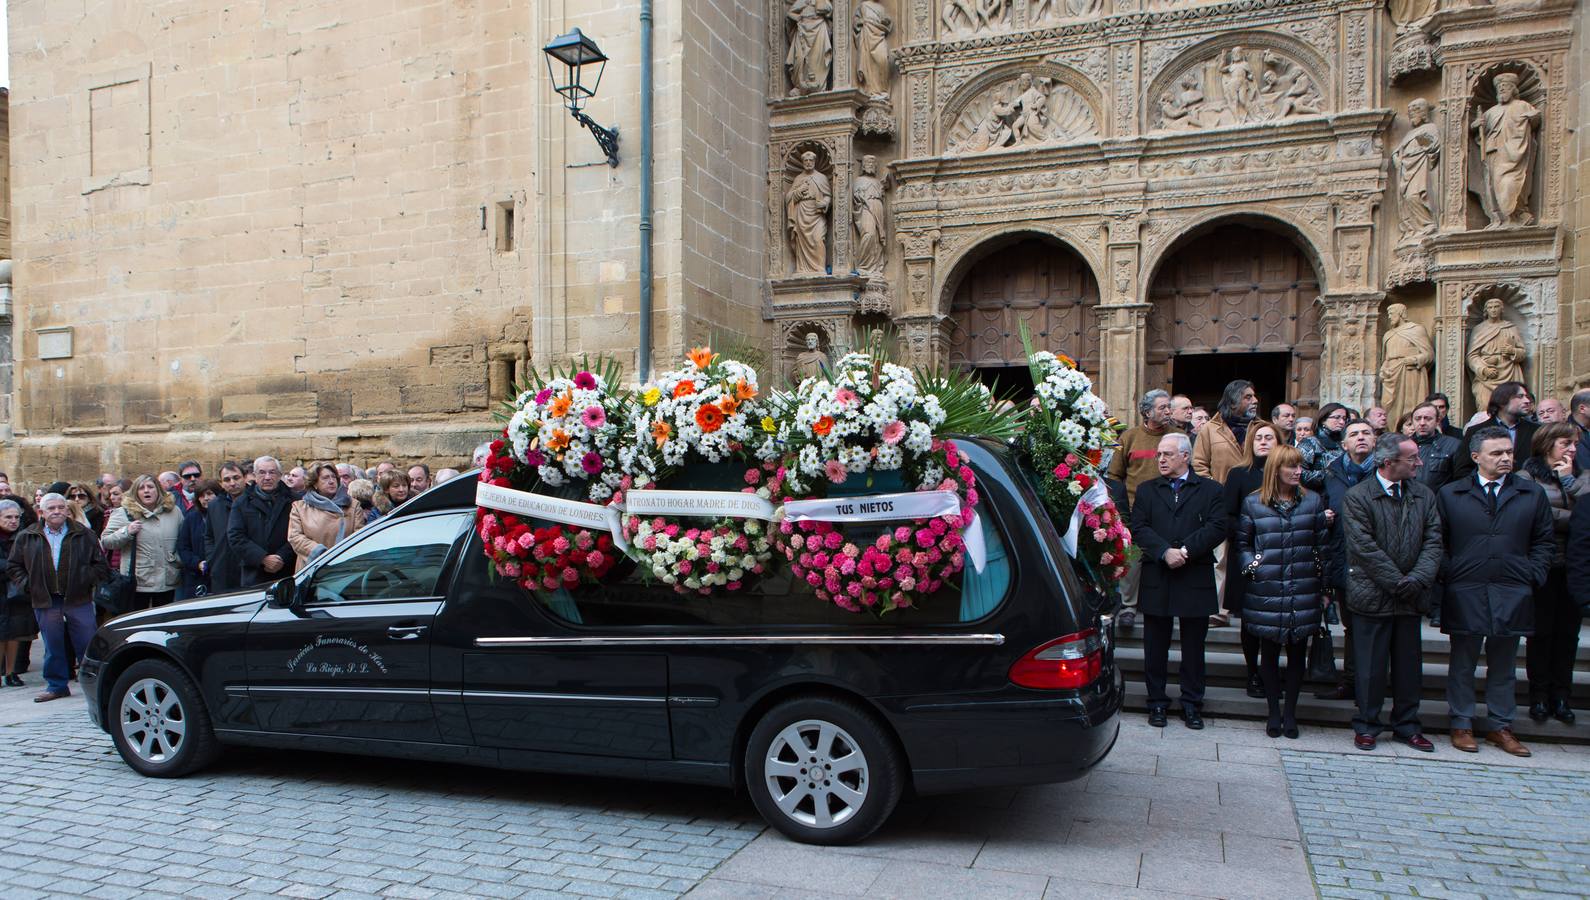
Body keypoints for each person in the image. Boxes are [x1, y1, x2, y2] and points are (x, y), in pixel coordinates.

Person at [1437, 427, 1553, 757]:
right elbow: (1438, 540)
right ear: (1476, 458)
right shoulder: (1451, 494)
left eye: (1508, 452)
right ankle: (1461, 722)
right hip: (1466, 588)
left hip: (1513, 589)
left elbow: (1544, 540)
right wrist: (1450, 572)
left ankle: (1501, 726)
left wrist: (1533, 573)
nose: (1505, 458)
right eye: (1496, 453)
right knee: (1463, 662)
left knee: (1504, 665)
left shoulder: (1530, 494)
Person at [1342, 433, 1442, 752]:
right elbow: (1364, 548)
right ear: (1388, 463)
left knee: (1409, 667)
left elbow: (1433, 541)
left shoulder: (1424, 496)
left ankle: (1407, 725)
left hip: (1411, 598)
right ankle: (1368, 724)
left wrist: (1417, 579)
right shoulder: (1358, 496)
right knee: (1370, 668)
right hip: (1372, 596)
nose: (1419, 463)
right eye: (1412, 459)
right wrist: (1399, 581)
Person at [1130, 433, 1227, 730]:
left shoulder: (1210, 490)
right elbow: (1139, 527)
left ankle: (1191, 703)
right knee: (1155, 645)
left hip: (1193, 573)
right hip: (1158, 573)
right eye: (1159, 454)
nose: (1160, 459)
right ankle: (1157, 702)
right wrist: (1163, 552)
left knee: (1194, 647)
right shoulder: (1147, 490)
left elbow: (1218, 526)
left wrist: (1184, 551)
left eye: (1167, 454)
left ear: (1185, 456)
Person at [1236, 445, 1331, 738]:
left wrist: (1324, 587)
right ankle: (1273, 713)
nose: (1297, 471)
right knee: (1269, 652)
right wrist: (1255, 567)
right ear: (1276, 469)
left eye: (1299, 466)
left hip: (1303, 587)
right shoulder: (1254, 504)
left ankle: (1290, 713)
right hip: (1267, 588)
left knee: (1297, 653)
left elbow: (1322, 547)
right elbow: (1243, 543)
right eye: (1290, 466)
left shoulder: (1312, 501)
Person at [7, 493, 112, 702]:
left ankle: (97, 685)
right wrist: (29, 585)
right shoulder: (27, 536)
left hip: (78, 598)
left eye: (60, 507)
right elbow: (14, 566)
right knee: (53, 645)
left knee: (87, 643)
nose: (56, 512)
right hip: (45, 599)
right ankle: (56, 685)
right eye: (51, 508)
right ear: (41, 512)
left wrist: (84, 580)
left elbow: (100, 565)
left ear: (67, 510)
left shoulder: (84, 534)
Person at [1514, 423, 1587, 725]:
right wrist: (1577, 519)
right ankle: (1539, 695)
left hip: (1576, 566)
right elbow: (1534, 513)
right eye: (1565, 443)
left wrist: (1569, 482)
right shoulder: (1525, 477)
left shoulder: (1581, 477)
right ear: (1546, 445)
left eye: (1575, 444)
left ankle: (1561, 695)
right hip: (1543, 565)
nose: (1572, 449)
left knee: (1568, 636)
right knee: (1541, 634)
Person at [1314, 419, 1378, 701]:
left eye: (1366, 433)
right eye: (1354, 434)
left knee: (1374, 630)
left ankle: (1371, 685)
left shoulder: (1384, 472)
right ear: (1344, 444)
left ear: (1375, 440)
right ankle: (1351, 681)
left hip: (1377, 564)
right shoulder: (1331, 475)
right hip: (1343, 560)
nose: (1361, 438)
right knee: (1351, 627)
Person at [1107, 390, 1174, 630]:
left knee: (1167, 555)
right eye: (1162, 407)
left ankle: (1167, 604)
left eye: (1169, 407)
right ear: (1147, 412)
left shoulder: (1177, 436)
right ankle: (1128, 607)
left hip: (1170, 508)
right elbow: (1114, 475)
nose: (1168, 411)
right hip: (1135, 509)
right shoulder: (1130, 437)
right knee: (1133, 559)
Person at [1218, 420, 1280, 675]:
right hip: (1248, 555)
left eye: (1269, 438)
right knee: (1250, 618)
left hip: (1280, 555)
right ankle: (1253, 672)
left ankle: (1270, 671)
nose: (1263, 442)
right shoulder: (1239, 474)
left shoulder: (1288, 471)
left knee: (1275, 616)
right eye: (1258, 438)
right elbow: (1227, 515)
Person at [101, 474, 185, 610]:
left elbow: (184, 540)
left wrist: (178, 560)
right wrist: (126, 532)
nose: (146, 491)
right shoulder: (123, 513)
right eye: (141, 488)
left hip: (168, 579)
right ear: (136, 492)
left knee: (165, 622)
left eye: (150, 487)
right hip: (138, 581)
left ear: (158, 490)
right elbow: (106, 541)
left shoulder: (174, 512)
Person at [227, 456, 297, 587]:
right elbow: (236, 536)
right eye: (262, 472)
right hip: (254, 574)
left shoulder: (294, 501)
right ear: (254, 475)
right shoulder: (242, 503)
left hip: (288, 571)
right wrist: (263, 558)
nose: (267, 477)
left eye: (272, 472)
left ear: (280, 475)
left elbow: (299, 533)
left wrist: (282, 557)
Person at [287, 464, 365, 573]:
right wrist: (320, 553)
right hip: (312, 568)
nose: (332, 481)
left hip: (345, 569)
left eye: (333, 477)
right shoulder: (300, 507)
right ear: (315, 483)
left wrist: (340, 557)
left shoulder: (353, 506)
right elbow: (294, 537)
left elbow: (359, 537)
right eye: (325, 478)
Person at [1455, 381, 1537, 481]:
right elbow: (1463, 469)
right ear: (1502, 400)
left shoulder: (1535, 430)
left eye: (1527, 396)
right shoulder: (1476, 431)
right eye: (1520, 396)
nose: (1527, 401)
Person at [0, 500, 38, 687]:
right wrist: (13, 566)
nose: (13, 521)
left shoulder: (24, 536)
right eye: (8, 517)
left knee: (15, 634)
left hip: (18, 591)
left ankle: (11, 672)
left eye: (16, 517)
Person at [176, 479, 219, 600]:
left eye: (210, 494)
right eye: (201, 495)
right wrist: (197, 563)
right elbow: (183, 546)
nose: (206, 498)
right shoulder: (191, 518)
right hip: (196, 576)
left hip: (220, 574)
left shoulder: (227, 515)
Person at [207, 462, 247, 593]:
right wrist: (212, 559)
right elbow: (209, 536)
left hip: (249, 569)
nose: (232, 483)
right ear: (221, 483)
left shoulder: (255, 501)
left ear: (244, 477)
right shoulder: (214, 505)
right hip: (222, 570)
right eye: (227, 480)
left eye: (236, 478)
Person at [1409, 402, 1463, 488]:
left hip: (1440, 499)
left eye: (1428, 419)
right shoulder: (1402, 445)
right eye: (1418, 419)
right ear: (1412, 421)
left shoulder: (1453, 445)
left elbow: (1460, 479)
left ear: (1437, 421)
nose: (1422, 423)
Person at [1299, 403, 1350, 489]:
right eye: (1337, 417)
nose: (1342, 422)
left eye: (1344, 418)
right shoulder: (1310, 443)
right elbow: (1300, 473)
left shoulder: (1345, 443)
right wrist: (1330, 474)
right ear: (1323, 419)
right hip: (1318, 495)